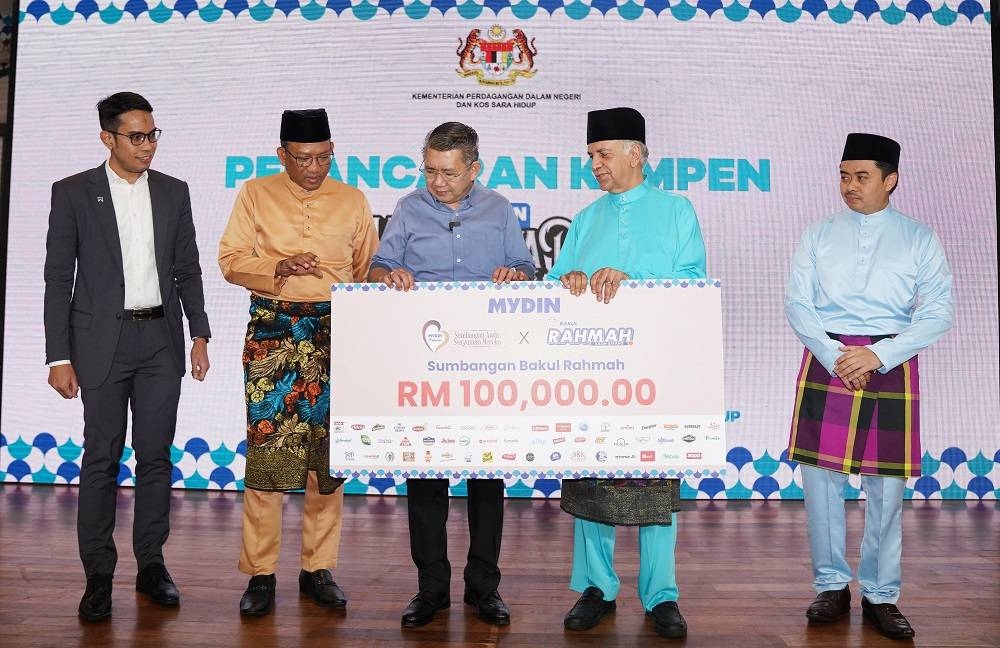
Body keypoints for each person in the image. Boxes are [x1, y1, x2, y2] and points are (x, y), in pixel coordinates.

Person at [44, 91, 212, 622]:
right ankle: (98, 575)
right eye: (136, 136)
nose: (148, 145)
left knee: (156, 457)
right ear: (107, 138)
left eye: (153, 134)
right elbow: (57, 278)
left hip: (161, 340)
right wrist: (57, 356)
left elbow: (187, 267)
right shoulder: (73, 192)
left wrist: (200, 333)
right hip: (100, 344)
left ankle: (151, 565)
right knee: (101, 457)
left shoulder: (174, 191)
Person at [785, 133, 952, 640]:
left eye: (861, 176)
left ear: (890, 179)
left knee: (886, 489)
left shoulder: (919, 238)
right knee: (821, 484)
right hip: (828, 358)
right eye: (843, 176)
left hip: (890, 361)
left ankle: (881, 594)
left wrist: (879, 355)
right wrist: (837, 356)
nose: (849, 186)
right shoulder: (817, 234)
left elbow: (937, 312)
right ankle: (831, 586)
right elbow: (798, 304)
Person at [367, 121, 535, 628]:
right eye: (430, 171)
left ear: (474, 169)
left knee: (487, 479)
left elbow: (526, 268)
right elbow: (378, 266)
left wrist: (515, 275)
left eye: (449, 173)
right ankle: (431, 589)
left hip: (486, 364)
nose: (437, 182)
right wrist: (389, 275)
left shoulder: (499, 209)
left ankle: (484, 588)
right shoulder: (408, 208)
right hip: (424, 365)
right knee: (425, 478)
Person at [547, 107, 706, 640]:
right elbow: (553, 281)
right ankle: (596, 586)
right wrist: (568, 279)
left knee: (654, 483)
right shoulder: (586, 217)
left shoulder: (677, 210)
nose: (595, 164)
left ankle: (661, 594)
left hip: (655, 370)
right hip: (591, 373)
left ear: (636, 154)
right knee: (592, 480)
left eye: (603, 153)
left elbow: (693, 282)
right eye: (591, 155)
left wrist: (631, 278)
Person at [218, 108, 378, 617]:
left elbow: (366, 269)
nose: (314, 168)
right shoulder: (255, 193)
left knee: (329, 460)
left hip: (336, 332)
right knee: (269, 455)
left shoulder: (353, 199)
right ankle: (261, 573)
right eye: (303, 159)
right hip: (275, 331)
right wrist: (277, 266)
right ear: (281, 155)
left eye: (323, 158)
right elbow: (230, 260)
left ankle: (318, 568)